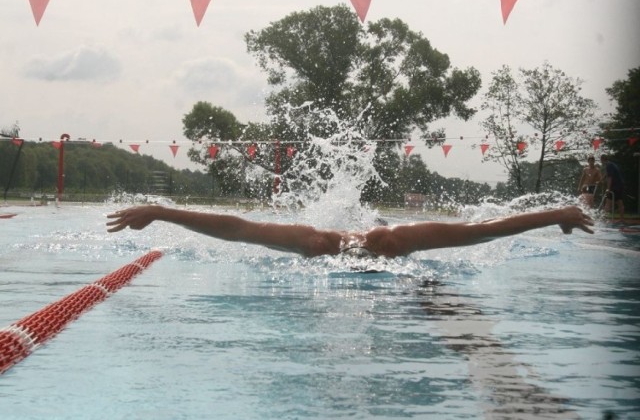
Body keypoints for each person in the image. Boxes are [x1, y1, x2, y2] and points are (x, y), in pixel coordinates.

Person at [106, 205, 594, 258]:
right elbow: (238, 229)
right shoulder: (313, 240)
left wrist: (554, 215)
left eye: (377, 246)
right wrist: (162, 211)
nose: (368, 249)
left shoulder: (400, 238)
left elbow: (479, 232)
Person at [600, 154, 625, 221]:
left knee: (608, 201)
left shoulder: (608, 165)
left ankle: (603, 218)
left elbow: (609, 177)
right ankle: (622, 219)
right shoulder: (612, 164)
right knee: (619, 201)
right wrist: (601, 180)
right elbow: (606, 174)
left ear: (602, 160)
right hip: (620, 185)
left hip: (615, 186)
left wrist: (608, 188)